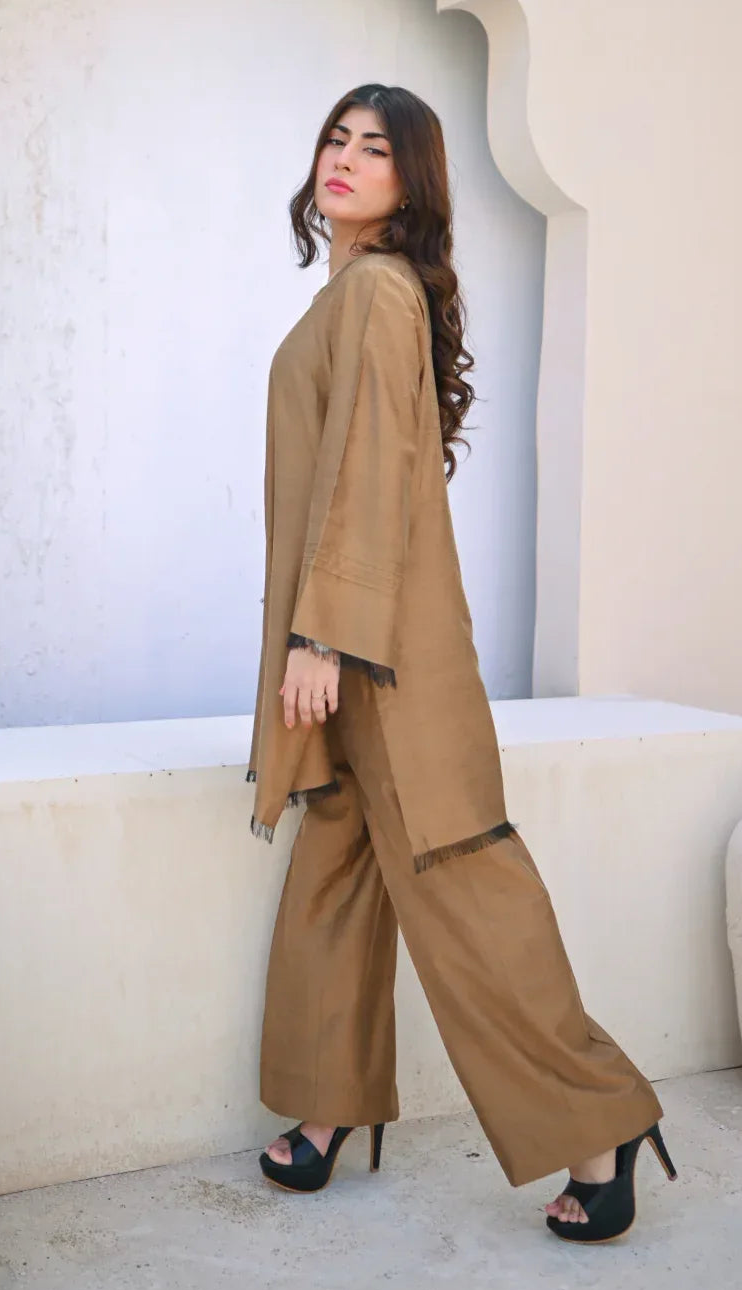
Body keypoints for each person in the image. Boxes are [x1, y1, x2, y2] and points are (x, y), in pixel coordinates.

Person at [245, 83, 676, 1244]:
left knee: (460, 879)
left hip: (375, 655)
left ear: (410, 182)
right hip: (346, 639)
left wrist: (320, 634)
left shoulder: (379, 291)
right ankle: (330, 1104)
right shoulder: (354, 293)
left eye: (372, 148)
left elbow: (368, 479)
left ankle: (599, 1123)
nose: (343, 158)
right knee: (337, 856)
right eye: (333, 137)